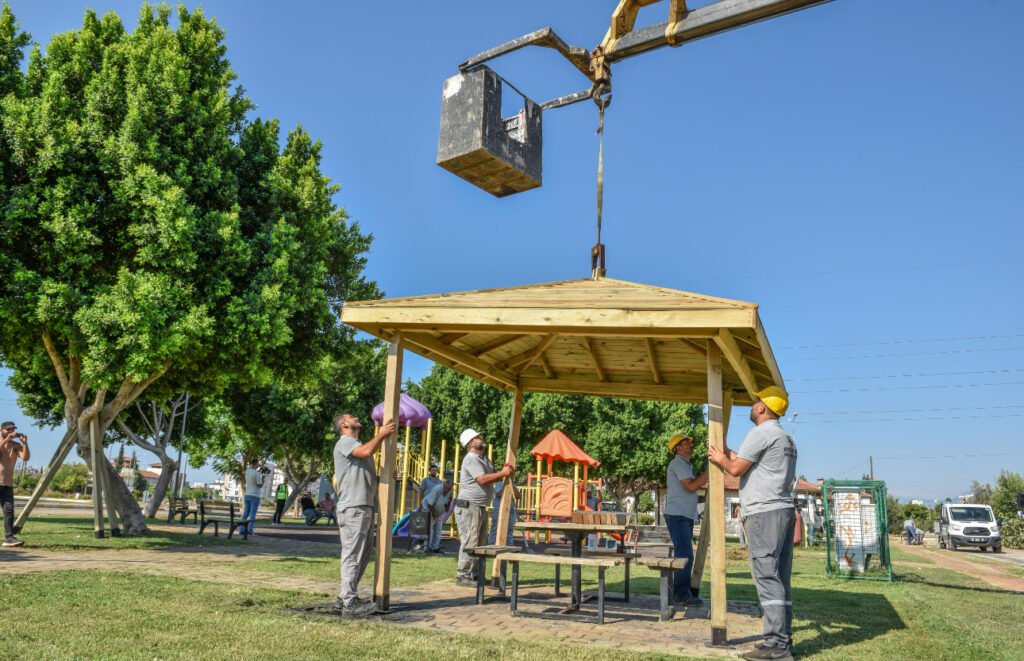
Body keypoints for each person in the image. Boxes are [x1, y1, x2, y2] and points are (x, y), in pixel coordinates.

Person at [707, 386, 797, 661]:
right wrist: (729, 454)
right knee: (780, 578)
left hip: (763, 513)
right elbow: (751, 464)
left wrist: (718, 457)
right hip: (782, 510)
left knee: (766, 577)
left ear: (761, 408)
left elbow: (735, 469)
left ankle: (777, 647)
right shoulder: (784, 437)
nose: (753, 405)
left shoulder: (760, 433)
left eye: (755, 401)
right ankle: (782, 640)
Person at [334, 412, 395, 617]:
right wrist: (382, 433)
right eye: (352, 417)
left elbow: (365, 473)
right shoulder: (345, 442)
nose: (357, 418)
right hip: (353, 507)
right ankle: (349, 603)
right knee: (353, 555)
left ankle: (345, 597)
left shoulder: (357, 446)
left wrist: (385, 476)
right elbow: (367, 451)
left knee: (362, 555)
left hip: (363, 507)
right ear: (344, 424)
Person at [454, 428, 513, 586]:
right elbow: (482, 479)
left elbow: (493, 476)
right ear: (471, 443)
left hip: (478, 506)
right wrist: (503, 473)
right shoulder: (471, 458)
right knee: (470, 541)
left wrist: (504, 471)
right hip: (469, 505)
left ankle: (476, 575)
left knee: (480, 542)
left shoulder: (484, 459)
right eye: (477, 437)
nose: (481, 438)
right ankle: (463, 575)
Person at [664, 434, 709, 606]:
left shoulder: (686, 465)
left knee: (685, 553)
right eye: (686, 442)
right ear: (677, 448)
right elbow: (691, 486)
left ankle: (683, 592)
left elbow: (688, 492)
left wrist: (703, 499)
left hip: (683, 515)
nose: (691, 444)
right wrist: (710, 471)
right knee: (685, 554)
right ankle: (681, 594)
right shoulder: (678, 463)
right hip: (678, 515)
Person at [1, 421, 30, 547]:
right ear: (1, 430)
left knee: (9, 512)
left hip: (7, 484)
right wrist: (7, 439)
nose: (11, 432)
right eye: (8, 430)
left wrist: (24, 443)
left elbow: (25, 457)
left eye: (13, 430)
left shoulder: (15, 445)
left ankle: (9, 538)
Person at [422, 477, 454, 554]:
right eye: (445, 488)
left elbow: (450, 498)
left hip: (439, 511)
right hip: (428, 509)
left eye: (449, 488)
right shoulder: (437, 490)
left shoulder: (450, 490)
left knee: (438, 530)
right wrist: (434, 514)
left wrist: (448, 507)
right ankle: (427, 548)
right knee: (430, 530)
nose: (447, 490)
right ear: (443, 485)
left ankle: (435, 548)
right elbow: (430, 504)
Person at [487, 479, 519, 546]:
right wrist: (507, 486)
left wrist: (512, 486)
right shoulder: (500, 483)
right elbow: (500, 494)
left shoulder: (513, 484)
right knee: (496, 528)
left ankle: (509, 546)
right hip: (499, 509)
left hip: (510, 509)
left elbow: (518, 496)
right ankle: (491, 545)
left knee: (509, 529)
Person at [241, 459, 264, 536]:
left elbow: (251, 467)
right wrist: (263, 478)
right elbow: (259, 485)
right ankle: (250, 530)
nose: (259, 465)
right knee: (252, 513)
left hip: (247, 494)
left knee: (245, 513)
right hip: (255, 495)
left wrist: (259, 468)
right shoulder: (257, 474)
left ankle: (241, 529)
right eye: (258, 464)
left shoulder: (247, 471)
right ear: (256, 464)